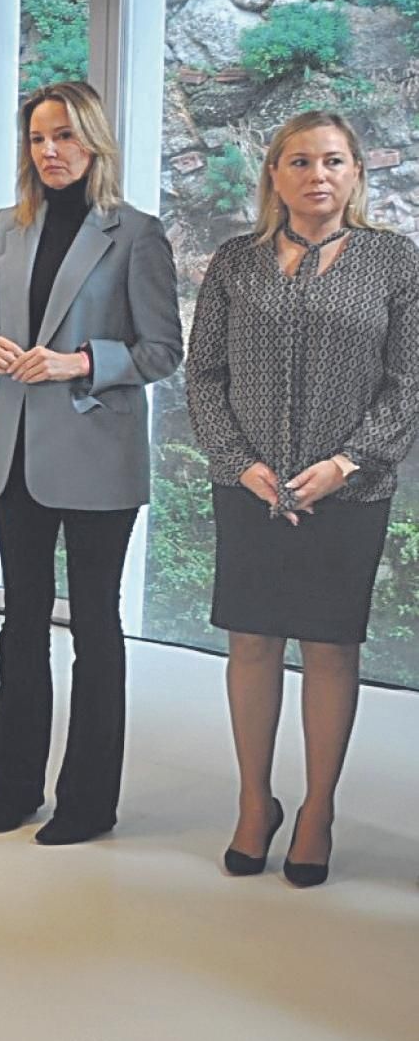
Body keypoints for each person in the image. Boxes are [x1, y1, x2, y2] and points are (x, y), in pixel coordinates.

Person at [188, 110, 419, 887]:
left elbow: (407, 380)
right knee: (250, 643)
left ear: (355, 173)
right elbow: (204, 376)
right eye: (298, 161)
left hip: (347, 491)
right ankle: (256, 802)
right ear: (274, 176)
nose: (315, 175)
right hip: (248, 486)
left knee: (328, 648)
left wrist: (346, 462)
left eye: (331, 161)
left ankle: (317, 810)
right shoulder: (233, 262)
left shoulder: (394, 262)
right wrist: (237, 461)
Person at [0, 82, 181, 844]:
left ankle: (89, 802)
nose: (49, 151)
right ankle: (13, 783)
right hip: (16, 455)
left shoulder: (135, 233)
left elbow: (162, 351)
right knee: (18, 626)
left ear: (93, 142)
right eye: (35, 139)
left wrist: (79, 362)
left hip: (96, 453)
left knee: (94, 628)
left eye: (63, 136)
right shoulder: (5, 227)